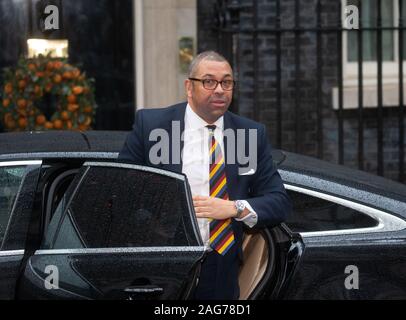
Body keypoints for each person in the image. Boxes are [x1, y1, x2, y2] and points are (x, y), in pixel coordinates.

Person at [118, 50, 292, 300]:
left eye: (227, 82)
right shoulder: (152, 126)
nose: (220, 89)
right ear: (189, 87)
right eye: (209, 81)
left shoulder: (250, 135)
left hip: (221, 267)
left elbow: (279, 202)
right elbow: (122, 191)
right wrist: (153, 225)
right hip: (161, 266)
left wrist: (234, 208)